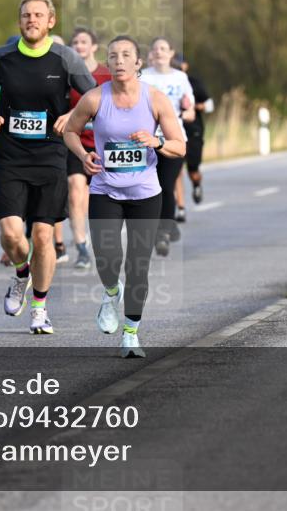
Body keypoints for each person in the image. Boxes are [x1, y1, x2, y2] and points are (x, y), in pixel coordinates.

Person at [64, 35, 185, 358]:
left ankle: (131, 333)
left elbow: (179, 146)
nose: (118, 61)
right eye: (113, 56)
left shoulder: (156, 99)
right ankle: (110, 292)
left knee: (138, 265)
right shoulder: (94, 98)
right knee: (107, 258)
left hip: (145, 194)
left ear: (137, 63)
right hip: (105, 189)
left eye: (126, 55)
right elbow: (69, 131)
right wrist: (84, 156)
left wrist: (155, 142)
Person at [0, 0, 95, 335]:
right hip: (12, 156)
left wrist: (70, 116)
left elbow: (93, 100)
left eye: (38, 15)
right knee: (11, 234)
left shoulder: (65, 58)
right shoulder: (2, 57)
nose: (31, 19)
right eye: (26, 15)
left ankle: (40, 308)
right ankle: (21, 273)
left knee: (44, 236)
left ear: (50, 21)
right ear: (19, 21)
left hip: (50, 157)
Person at [140, 38, 194, 256]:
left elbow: (190, 112)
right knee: (147, 186)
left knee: (166, 184)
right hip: (146, 140)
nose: (159, 52)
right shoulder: (144, 76)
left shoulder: (180, 78)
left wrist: (183, 113)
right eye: (155, 49)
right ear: (151, 54)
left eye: (164, 49)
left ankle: (162, 232)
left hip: (172, 139)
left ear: (171, 53)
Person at [65, 27, 111, 270]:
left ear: (94, 47)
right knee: (75, 188)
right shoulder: (67, 74)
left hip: (105, 146)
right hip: (77, 144)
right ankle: (81, 246)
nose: (79, 46)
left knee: (96, 198)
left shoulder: (106, 74)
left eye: (84, 42)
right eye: (75, 42)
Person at [179, 54, 212, 205]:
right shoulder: (164, 82)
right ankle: (178, 206)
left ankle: (196, 185)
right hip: (173, 132)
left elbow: (209, 105)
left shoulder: (194, 83)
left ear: (186, 65)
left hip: (193, 131)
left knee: (192, 170)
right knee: (174, 171)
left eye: (180, 63)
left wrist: (198, 106)